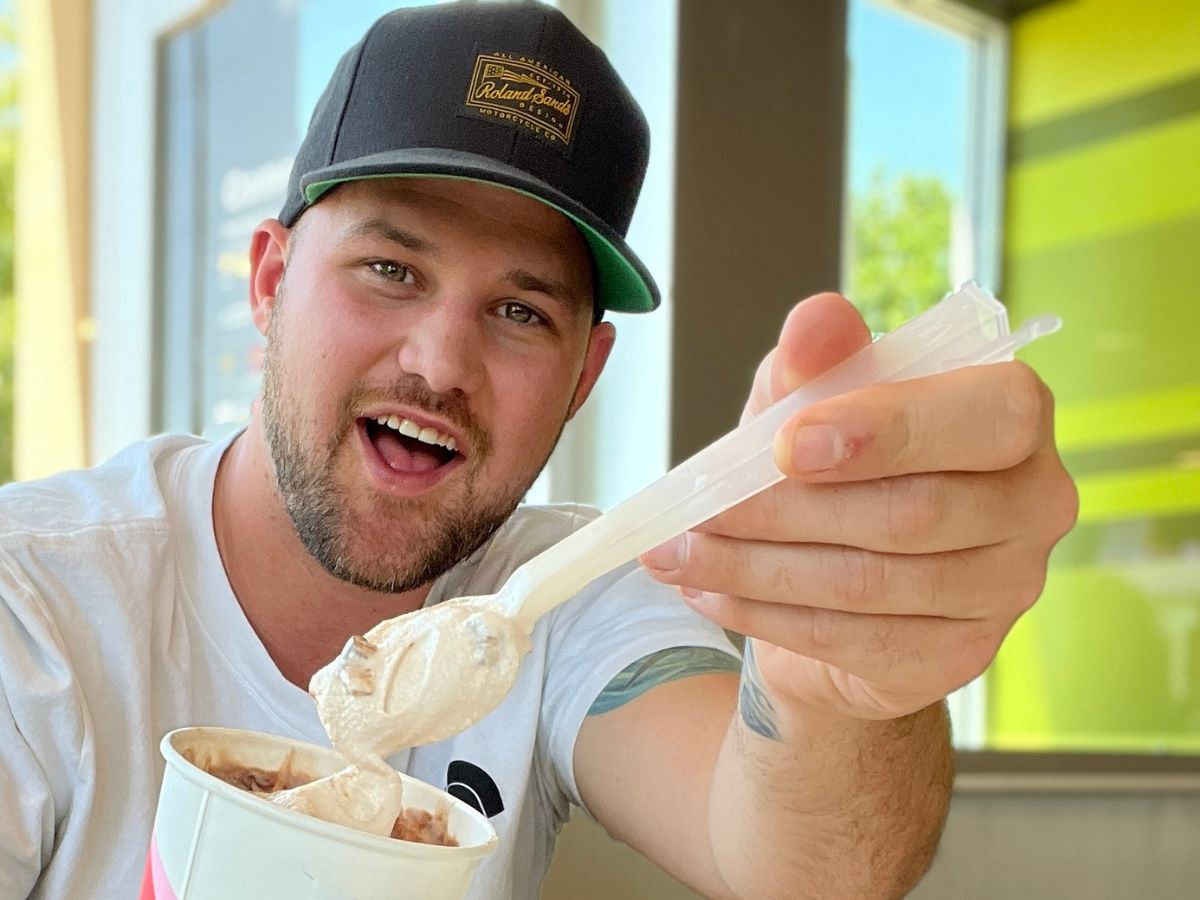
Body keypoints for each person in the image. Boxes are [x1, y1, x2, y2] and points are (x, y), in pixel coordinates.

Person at [0, 4, 1077, 899]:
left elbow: (808, 866)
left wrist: (838, 690)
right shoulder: (37, 604)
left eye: (520, 311)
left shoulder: (561, 601)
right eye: (390, 269)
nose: (440, 362)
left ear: (584, 377)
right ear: (271, 281)